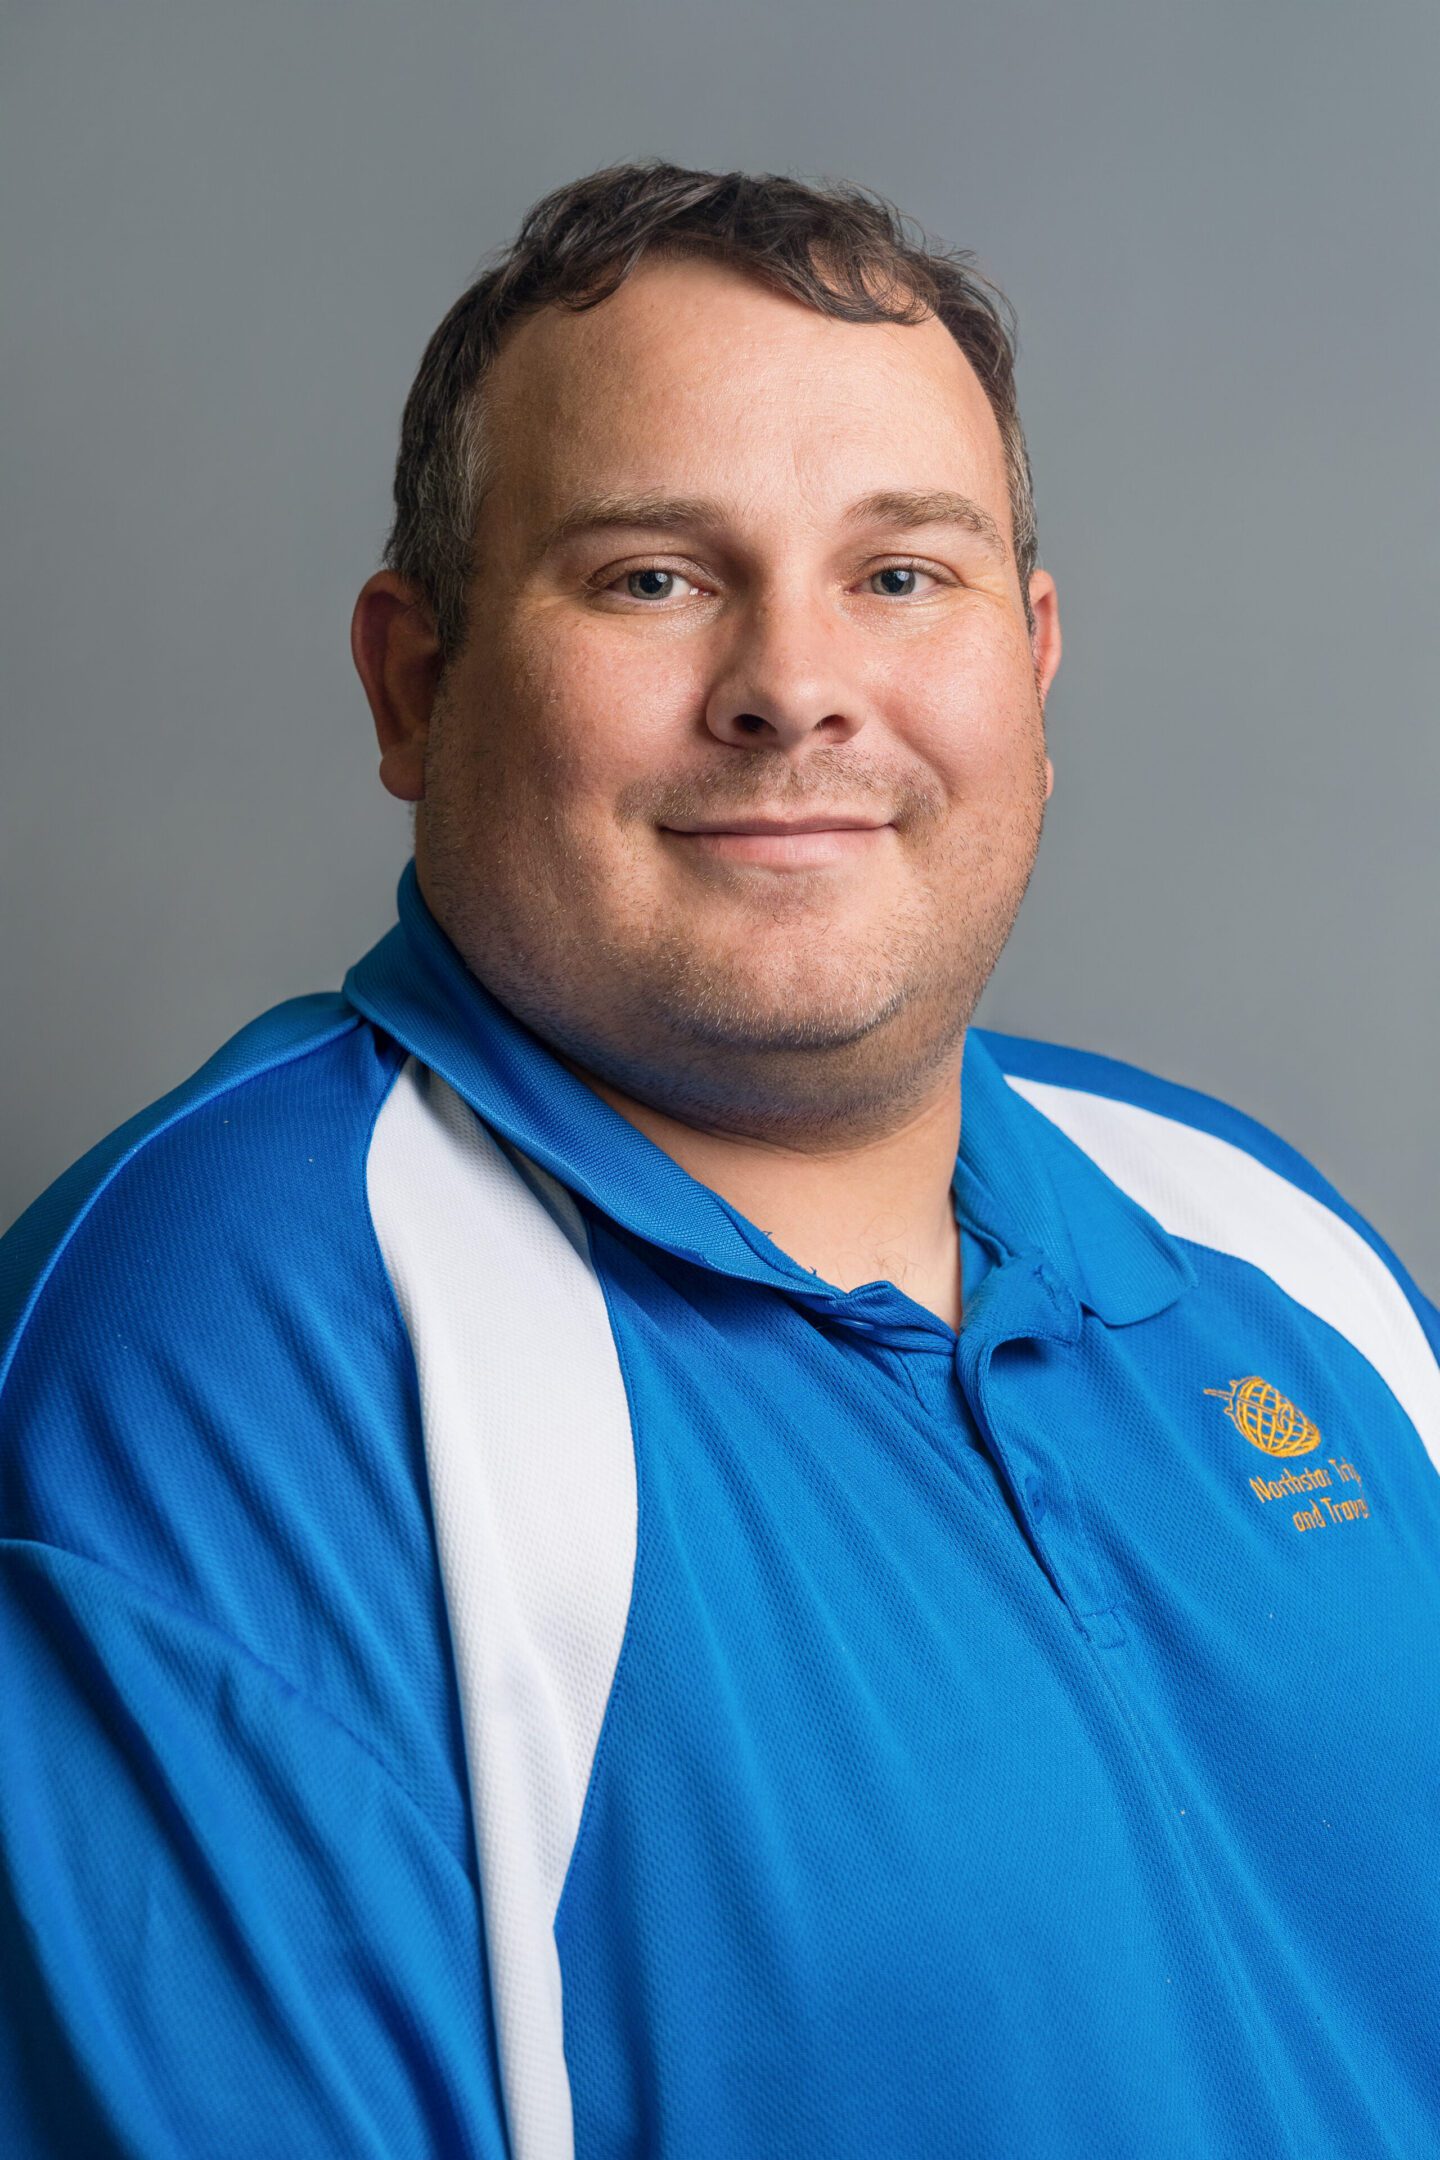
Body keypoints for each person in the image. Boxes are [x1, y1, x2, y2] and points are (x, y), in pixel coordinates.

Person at [2, 159, 1437, 2160]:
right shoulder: (221, 1364)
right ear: (413, 684)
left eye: (901, 575)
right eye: (655, 576)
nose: (794, 685)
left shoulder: (1276, 1245)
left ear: (1030, 665)